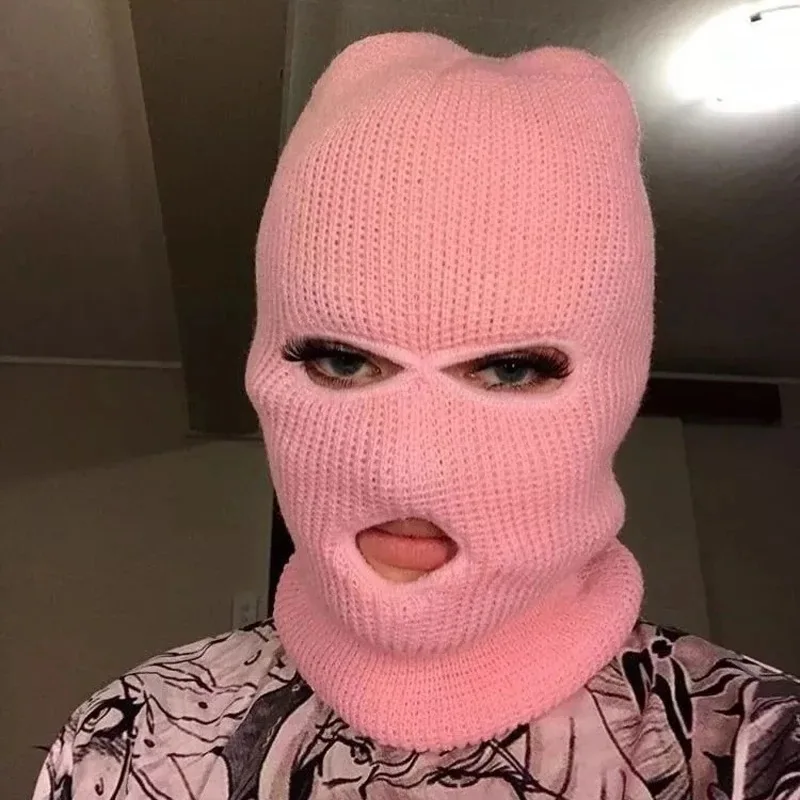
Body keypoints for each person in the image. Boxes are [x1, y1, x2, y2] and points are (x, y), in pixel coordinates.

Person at [33, 31, 800, 800]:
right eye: (342, 360)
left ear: (619, 392)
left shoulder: (754, 749)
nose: (406, 472)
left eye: (508, 369)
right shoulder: (125, 742)